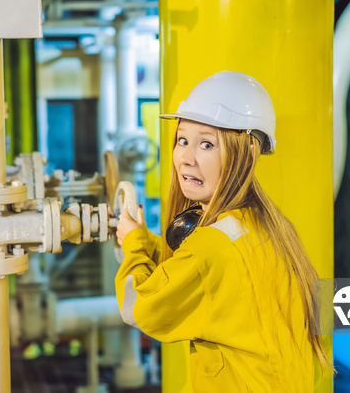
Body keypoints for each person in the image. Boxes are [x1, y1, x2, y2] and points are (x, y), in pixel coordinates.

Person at [114, 71, 330, 392]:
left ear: (244, 154)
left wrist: (132, 243)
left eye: (206, 144)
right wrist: (145, 241)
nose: (186, 158)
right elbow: (194, 275)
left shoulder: (211, 245)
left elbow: (139, 308)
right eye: (183, 140)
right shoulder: (266, 225)